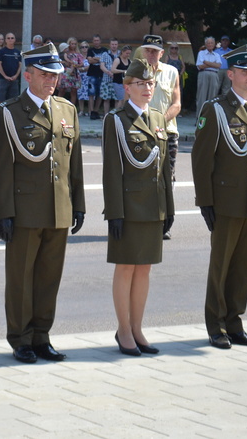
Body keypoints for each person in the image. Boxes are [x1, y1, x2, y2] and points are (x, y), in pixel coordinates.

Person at [0, 44, 85, 364]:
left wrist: (79, 203)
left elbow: (74, 163)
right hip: (24, 211)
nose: (52, 81)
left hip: (59, 207)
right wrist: (2, 212)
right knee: (21, 278)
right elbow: (1, 167)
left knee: (49, 277)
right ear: (27, 75)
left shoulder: (66, 110)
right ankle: (20, 339)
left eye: (55, 75)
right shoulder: (8, 111)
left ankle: (42, 335)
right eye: (45, 74)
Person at [192, 44, 247, 350]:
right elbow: (202, 160)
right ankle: (216, 325)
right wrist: (205, 201)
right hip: (225, 201)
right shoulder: (216, 109)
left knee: (242, 266)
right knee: (221, 265)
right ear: (231, 74)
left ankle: (235, 322)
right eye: (245, 71)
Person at [102, 58, 173, 357]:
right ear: (126, 87)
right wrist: (115, 212)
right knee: (126, 267)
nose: (147, 89)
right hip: (129, 207)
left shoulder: (157, 118)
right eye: (140, 84)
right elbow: (112, 170)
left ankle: (137, 327)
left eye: (150, 84)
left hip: (153, 206)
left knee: (144, 268)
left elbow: (164, 169)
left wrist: (169, 207)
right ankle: (124, 330)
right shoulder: (116, 120)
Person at [141, 34, 181, 240]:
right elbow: (128, 100)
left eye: (154, 51)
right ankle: (143, 220)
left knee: (167, 179)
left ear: (162, 53)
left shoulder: (172, 72)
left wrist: (160, 122)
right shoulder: (136, 72)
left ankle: (164, 222)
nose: (150, 54)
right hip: (141, 133)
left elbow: (177, 103)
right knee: (142, 178)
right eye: (147, 50)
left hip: (168, 133)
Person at [195, 36, 222, 114]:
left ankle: (210, 117)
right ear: (205, 44)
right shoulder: (201, 53)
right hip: (203, 73)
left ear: (214, 45)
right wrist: (213, 64)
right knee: (201, 96)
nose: (210, 44)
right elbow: (200, 66)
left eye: (211, 43)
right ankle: (199, 117)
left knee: (212, 97)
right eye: (208, 43)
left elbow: (218, 66)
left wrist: (206, 62)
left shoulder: (216, 55)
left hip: (214, 75)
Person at [84, 35, 107, 119]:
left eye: (97, 40)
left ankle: (96, 111)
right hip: (91, 74)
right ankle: (91, 111)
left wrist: (95, 59)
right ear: (93, 41)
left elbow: (105, 60)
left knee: (100, 94)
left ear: (100, 41)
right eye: (95, 40)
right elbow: (89, 60)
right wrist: (99, 59)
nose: (96, 42)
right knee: (91, 94)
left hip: (101, 74)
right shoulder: (90, 50)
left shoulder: (104, 50)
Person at [0, 33, 22, 104]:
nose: (10, 39)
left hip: (14, 80)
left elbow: (20, 65)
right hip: (3, 79)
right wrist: (5, 76)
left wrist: (16, 76)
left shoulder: (18, 52)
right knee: (0, 99)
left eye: (12, 38)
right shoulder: (2, 51)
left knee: (14, 100)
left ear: (15, 40)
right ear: (5, 40)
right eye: (8, 38)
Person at [99, 38, 120, 116]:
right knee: (106, 99)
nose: (114, 46)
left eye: (115, 44)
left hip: (117, 80)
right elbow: (102, 66)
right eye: (112, 44)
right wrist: (109, 72)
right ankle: (106, 115)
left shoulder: (120, 54)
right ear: (109, 45)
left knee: (117, 99)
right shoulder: (105, 54)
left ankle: (115, 115)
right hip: (106, 80)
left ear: (117, 45)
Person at [59, 37, 82, 108]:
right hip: (65, 72)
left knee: (73, 90)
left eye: (75, 44)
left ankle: (72, 108)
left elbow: (81, 63)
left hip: (74, 72)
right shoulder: (64, 53)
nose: (73, 45)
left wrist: (77, 65)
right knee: (62, 89)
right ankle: (58, 105)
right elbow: (59, 60)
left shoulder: (78, 54)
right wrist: (65, 62)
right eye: (72, 44)